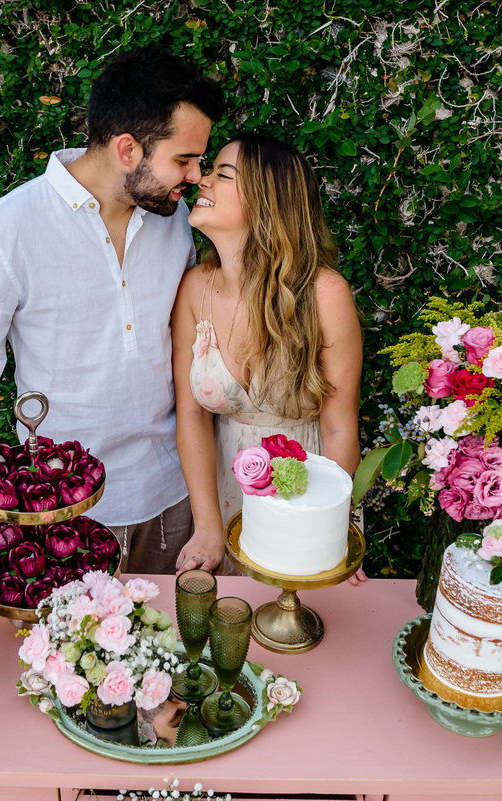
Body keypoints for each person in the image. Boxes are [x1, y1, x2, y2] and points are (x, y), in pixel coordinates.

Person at [0, 46, 224, 574]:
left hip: (170, 498)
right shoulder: (7, 230)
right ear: (127, 148)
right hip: (61, 514)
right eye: (183, 160)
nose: (195, 175)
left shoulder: (173, 218)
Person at [171, 134, 364, 578]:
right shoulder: (194, 289)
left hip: (307, 492)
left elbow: (338, 428)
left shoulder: (323, 294)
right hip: (221, 489)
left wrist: (324, 525)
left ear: (268, 200)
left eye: (222, 174)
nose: (202, 180)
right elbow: (192, 416)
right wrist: (207, 528)